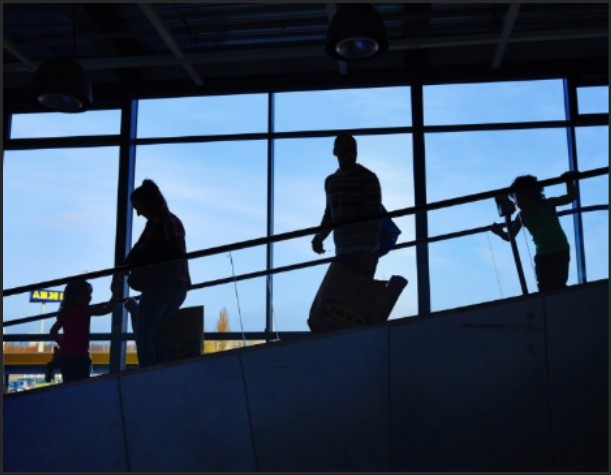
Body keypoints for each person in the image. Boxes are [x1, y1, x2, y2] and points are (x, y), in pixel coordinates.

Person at [111, 179, 191, 367]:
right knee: (154, 335)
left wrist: (120, 271)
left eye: (138, 207)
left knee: (143, 336)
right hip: (179, 288)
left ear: (147, 203)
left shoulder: (157, 223)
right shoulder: (173, 221)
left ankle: (151, 376)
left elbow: (140, 250)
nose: (138, 213)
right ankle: (162, 375)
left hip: (160, 288)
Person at [491, 171, 578, 292]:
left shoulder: (547, 205)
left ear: (530, 194)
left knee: (558, 283)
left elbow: (571, 197)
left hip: (559, 251)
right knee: (543, 287)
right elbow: (510, 237)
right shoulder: (522, 216)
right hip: (542, 255)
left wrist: (569, 180)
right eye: (515, 198)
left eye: (518, 197)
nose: (516, 202)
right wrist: (499, 232)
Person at [311, 133, 382, 279]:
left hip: (360, 251)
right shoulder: (332, 182)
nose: (350, 155)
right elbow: (330, 214)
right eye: (346, 150)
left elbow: (374, 218)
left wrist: (368, 251)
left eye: (352, 151)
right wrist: (319, 237)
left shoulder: (367, 178)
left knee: (350, 298)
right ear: (336, 152)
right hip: (345, 251)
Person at [49, 279, 114, 383]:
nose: (89, 297)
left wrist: (63, 344)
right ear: (75, 296)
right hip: (80, 356)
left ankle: (54, 362)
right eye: (85, 294)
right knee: (82, 384)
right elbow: (106, 309)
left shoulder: (66, 312)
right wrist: (115, 294)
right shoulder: (85, 309)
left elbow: (53, 331)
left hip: (65, 356)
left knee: (69, 384)